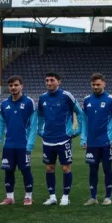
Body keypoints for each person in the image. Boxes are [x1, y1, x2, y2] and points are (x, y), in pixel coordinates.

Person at [38, 72, 84, 206]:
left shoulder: (66, 96)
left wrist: (78, 129)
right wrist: (40, 129)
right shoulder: (42, 98)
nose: (49, 83)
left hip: (63, 138)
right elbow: (40, 116)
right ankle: (52, 197)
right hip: (48, 139)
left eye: (52, 80)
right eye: (47, 80)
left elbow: (79, 113)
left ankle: (65, 196)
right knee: (49, 168)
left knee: (65, 168)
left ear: (59, 82)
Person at [0, 75, 37, 206]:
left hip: (23, 145)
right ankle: (9, 197)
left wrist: (30, 143)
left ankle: (28, 197)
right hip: (9, 145)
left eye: (16, 85)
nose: (13, 87)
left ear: (21, 86)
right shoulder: (4, 104)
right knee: (8, 170)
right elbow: (1, 123)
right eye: (11, 85)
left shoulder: (29, 102)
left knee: (25, 170)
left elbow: (34, 124)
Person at [80, 73, 112, 206]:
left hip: (106, 141)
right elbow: (84, 121)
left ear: (104, 83)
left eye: (98, 84)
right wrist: (83, 138)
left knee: (107, 169)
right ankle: (93, 197)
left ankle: (108, 197)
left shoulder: (111, 99)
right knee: (92, 169)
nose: (96, 87)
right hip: (91, 142)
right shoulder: (87, 100)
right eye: (93, 85)